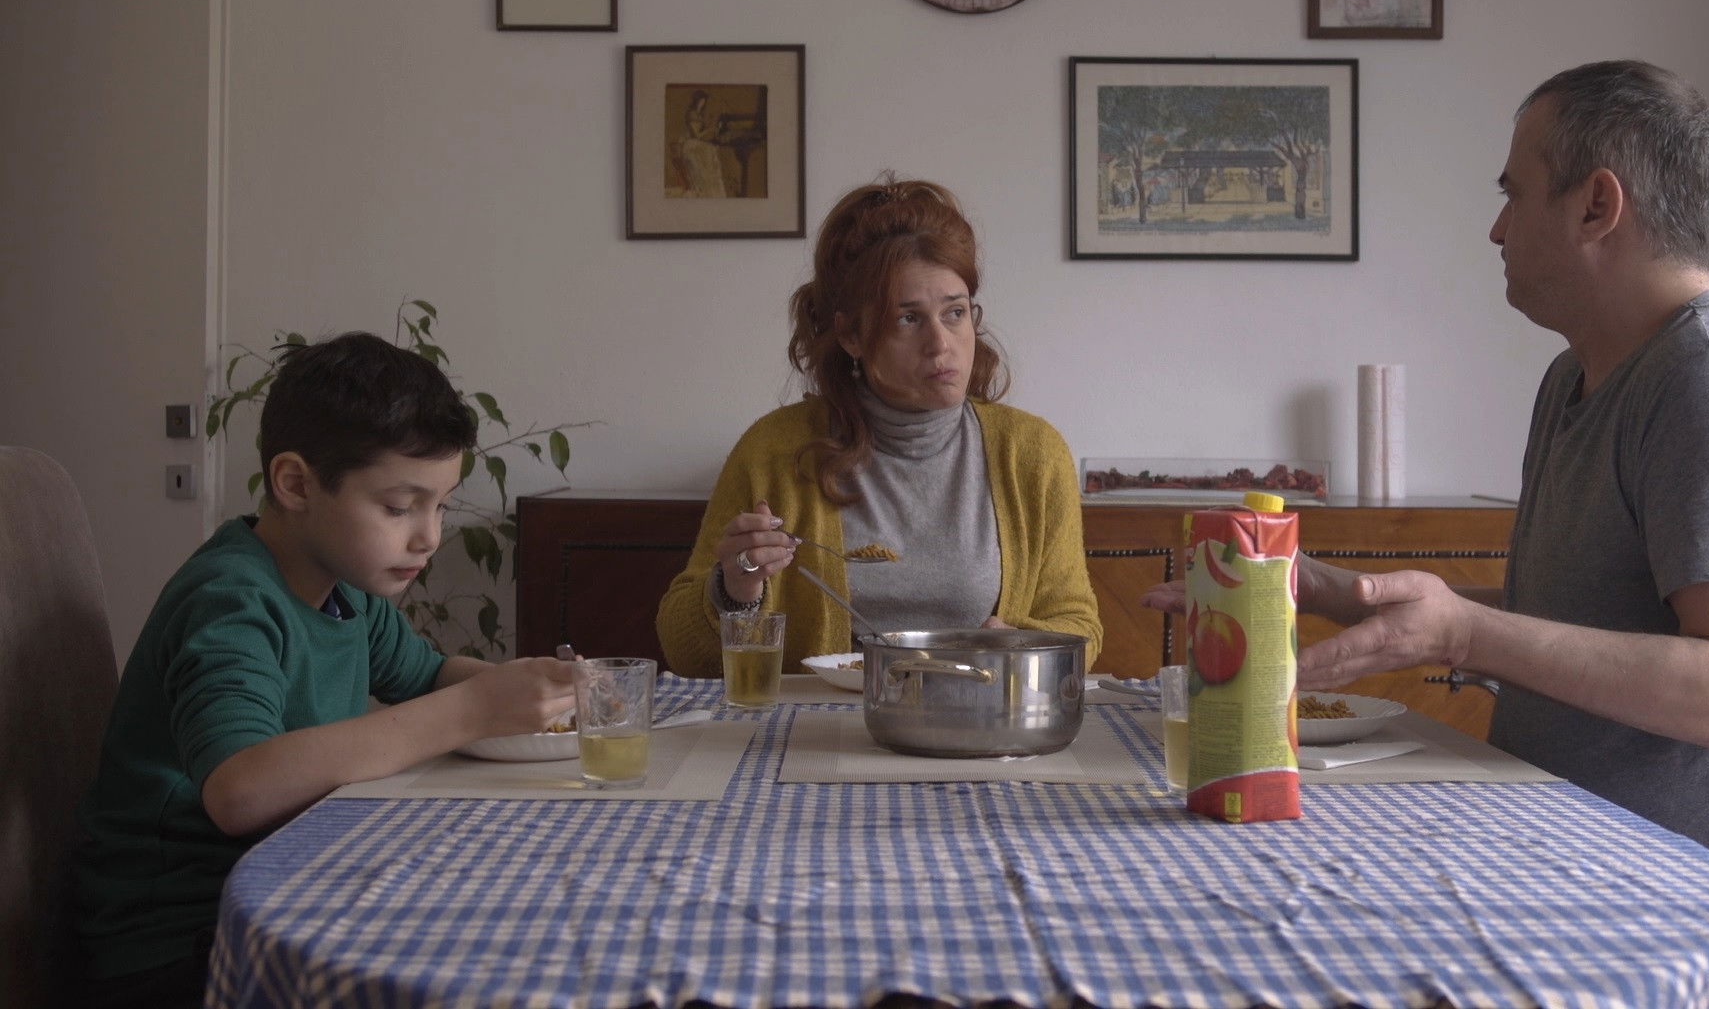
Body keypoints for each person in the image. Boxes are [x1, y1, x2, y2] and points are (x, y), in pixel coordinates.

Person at [1143, 60, 1709, 1007]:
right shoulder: (1578, 378)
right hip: (1599, 872)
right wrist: (1340, 592)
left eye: (1513, 193)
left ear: (1597, 206)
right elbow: (1583, 621)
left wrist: (1463, 633)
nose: (1497, 228)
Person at [70, 332, 578, 1009]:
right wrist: (473, 710)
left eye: (441, 505)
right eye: (398, 507)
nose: (429, 536)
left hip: (289, 879)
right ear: (295, 484)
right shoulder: (229, 601)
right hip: (180, 940)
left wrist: (530, 685)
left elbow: (428, 675)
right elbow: (239, 789)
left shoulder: (346, 589)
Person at [657, 176, 1101, 676]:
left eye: (955, 313)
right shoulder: (772, 452)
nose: (941, 344)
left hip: (977, 713)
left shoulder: (1032, 453)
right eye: (908, 319)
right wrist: (734, 590)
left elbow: (1077, 623)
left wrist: (1021, 645)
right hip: (819, 719)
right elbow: (683, 650)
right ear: (851, 335)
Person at [678, 90, 728, 198]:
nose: (703, 103)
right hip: (691, 145)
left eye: (704, 101)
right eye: (701, 101)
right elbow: (696, 135)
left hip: (697, 143)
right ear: (697, 101)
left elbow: (702, 133)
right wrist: (710, 129)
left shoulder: (699, 114)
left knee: (712, 151)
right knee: (710, 151)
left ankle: (712, 191)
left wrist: (713, 128)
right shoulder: (691, 114)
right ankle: (706, 191)